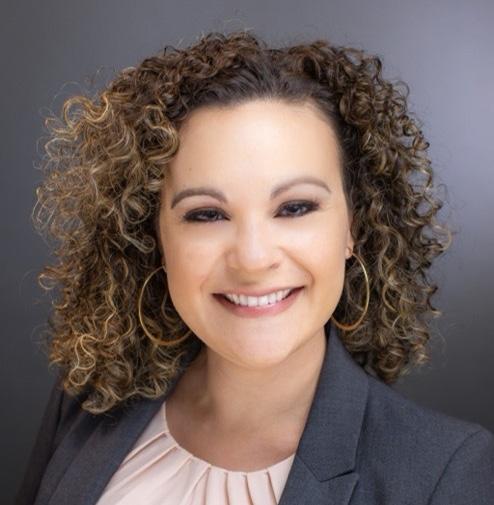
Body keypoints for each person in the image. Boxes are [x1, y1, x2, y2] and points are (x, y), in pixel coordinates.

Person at [15, 30, 494, 505]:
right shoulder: (87, 400)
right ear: (155, 237)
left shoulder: (445, 475)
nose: (253, 258)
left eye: (295, 208)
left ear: (354, 226)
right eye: (207, 215)